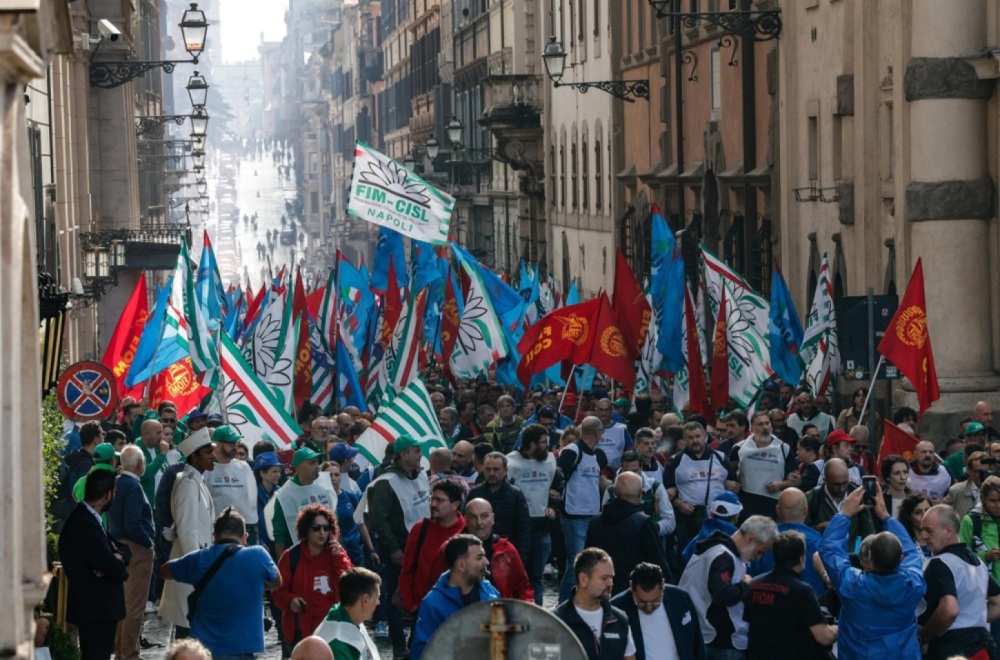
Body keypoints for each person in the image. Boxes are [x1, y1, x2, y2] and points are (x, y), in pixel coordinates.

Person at [818, 482, 925, 660]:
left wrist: (844, 514)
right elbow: (911, 552)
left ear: (869, 556)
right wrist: (886, 517)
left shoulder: (851, 584)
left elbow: (830, 550)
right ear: (900, 560)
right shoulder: (914, 585)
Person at [160, 507, 281, 658]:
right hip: (242, 651)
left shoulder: (198, 559)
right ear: (245, 537)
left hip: (205, 652)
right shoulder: (258, 555)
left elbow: (164, 571)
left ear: (214, 536)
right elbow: (277, 583)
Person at [356, 434, 429, 660]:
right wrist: (394, 548)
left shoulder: (420, 476)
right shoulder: (386, 482)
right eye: (416, 451)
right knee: (398, 596)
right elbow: (378, 519)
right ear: (404, 454)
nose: (420, 456)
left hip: (421, 547)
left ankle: (415, 639)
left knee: (421, 594)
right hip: (398, 548)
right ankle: (399, 644)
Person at [678, 516, 777, 659]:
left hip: (706, 636)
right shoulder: (722, 556)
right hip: (717, 641)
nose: (759, 558)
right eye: (760, 551)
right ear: (751, 539)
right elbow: (723, 594)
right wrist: (745, 585)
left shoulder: (722, 553)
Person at [58, 469, 130, 660]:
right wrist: (114, 560)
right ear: (108, 495)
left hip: (99, 609)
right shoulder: (84, 524)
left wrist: (118, 556)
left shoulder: (90, 518)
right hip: (94, 609)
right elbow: (116, 570)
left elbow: (123, 549)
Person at [918, 504, 1000, 660]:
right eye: (922, 530)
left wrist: (923, 637)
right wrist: (973, 619)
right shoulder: (978, 562)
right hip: (983, 647)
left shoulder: (939, 563)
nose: (923, 536)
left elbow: (950, 610)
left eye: (929, 530)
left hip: (952, 649)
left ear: (949, 530)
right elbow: (998, 604)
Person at [272, 505, 354, 656]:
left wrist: (338, 558)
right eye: (316, 528)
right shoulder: (291, 557)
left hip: (332, 631)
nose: (322, 533)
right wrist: (291, 601)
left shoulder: (337, 554)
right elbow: (278, 591)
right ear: (306, 530)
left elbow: (351, 585)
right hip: (300, 632)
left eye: (326, 528)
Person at [743, 531, 838, 660]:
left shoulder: (754, 585)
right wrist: (841, 627)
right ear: (801, 559)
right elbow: (824, 637)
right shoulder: (802, 591)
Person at [159, 428, 217, 636]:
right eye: (208, 452)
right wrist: (198, 567)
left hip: (197, 563)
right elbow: (186, 531)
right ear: (194, 456)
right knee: (187, 630)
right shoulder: (187, 483)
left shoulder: (195, 480)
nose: (213, 457)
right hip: (192, 566)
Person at [410, 535, 500, 660]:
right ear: (462, 565)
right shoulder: (433, 604)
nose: (486, 562)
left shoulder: (490, 592)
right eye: (479, 558)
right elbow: (421, 654)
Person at [587, 472, 671, 594]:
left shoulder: (595, 522)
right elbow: (658, 561)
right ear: (640, 493)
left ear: (614, 492)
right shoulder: (643, 523)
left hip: (603, 590)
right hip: (636, 592)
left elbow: (589, 559)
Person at [107, 446, 155, 660]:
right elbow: (133, 523)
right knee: (135, 606)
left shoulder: (117, 483)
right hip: (136, 548)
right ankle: (129, 655)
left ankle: (122, 652)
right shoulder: (133, 487)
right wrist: (148, 543)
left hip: (119, 546)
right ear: (140, 464)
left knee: (123, 604)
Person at [558, 416, 612, 601]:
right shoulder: (572, 451)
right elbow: (558, 473)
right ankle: (564, 604)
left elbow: (600, 481)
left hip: (593, 515)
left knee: (591, 564)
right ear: (597, 432)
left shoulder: (597, 455)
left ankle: (584, 600)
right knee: (576, 564)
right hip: (574, 516)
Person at [663, 422, 739, 552]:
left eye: (698, 436)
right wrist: (678, 503)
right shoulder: (675, 461)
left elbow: (733, 485)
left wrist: (729, 484)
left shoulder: (720, 457)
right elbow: (667, 491)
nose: (695, 441)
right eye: (690, 438)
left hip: (719, 518)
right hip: (690, 520)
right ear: (685, 439)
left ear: (705, 436)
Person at [506, 423, 560, 603]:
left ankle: (537, 613)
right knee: (517, 576)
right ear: (532, 444)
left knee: (536, 577)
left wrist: (553, 505)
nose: (547, 445)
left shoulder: (550, 459)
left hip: (542, 527)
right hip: (519, 528)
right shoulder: (510, 462)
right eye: (544, 442)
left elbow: (556, 487)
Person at [609, 562, 706, 660]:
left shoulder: (680, 598)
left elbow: (697, 642)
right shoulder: (616, 608)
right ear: (631, 587)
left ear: (663, 585)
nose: (649, 607)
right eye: (641, 602)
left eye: (655, 601)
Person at [553, 548, 637, 660]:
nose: (610, 583)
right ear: (583, 579)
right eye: (604, 578)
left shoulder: (620, 620)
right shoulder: (557, 621)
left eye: (611, 577)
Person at [444, 498, 534, 601]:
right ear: (465, 520)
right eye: (473, 517)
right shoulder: (449, 549)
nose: (479, 522)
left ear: (492, 518)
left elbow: (522, 587)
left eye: (484, 516)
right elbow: (434, 587)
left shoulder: (506, 550)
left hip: (499, 613)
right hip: (460, 613)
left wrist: (526, 608)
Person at [399, 480, 467, 614]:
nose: (433, 504)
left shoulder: (467, 531)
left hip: (458, 612)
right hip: (423, 609)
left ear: (455, 505)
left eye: (440, 500)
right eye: (432, 499)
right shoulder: (420, 529)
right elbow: (407, 570)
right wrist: (411, 605)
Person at [748, 488, 826, 595]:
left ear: (778, 510)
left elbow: (751, 578)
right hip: (810, 606)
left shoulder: (763, 544)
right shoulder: (821, 544)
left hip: (768, 606)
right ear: (806, 510)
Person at [267, 447, 338, 556]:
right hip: (300, 556)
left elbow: (334, 520)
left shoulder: (324, 486)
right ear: (299, 468)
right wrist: (282, 564)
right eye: (312, 463)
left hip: (326, 553)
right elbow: (279, 533)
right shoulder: (285, 495)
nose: (317, 466)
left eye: (317, 462)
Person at [730, 411, 799, 520]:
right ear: (752, 428)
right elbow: (728, 475)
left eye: (767, 423)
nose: (765, 427)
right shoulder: (739, 449)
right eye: (760, 424)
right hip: (746, 505)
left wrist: (780, 484)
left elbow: (797, 481)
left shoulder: (783, 449)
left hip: (772, 505)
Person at [467, 451, 531, 558]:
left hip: (507, 552)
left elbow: (524, 530)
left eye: (496, 469)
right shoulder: (475, 493)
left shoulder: (515, 495)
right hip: (479, 552)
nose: (491, 473)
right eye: (488, 469)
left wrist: (519, 559)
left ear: (505, 471)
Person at [204, 425, 259, 544]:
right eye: (230, 443)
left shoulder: (243, 467)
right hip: (218, 534)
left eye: (236, 442)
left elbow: (251, 500)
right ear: (218, 444)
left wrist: (254, 527)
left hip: (243, 531)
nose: (235, 447)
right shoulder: (207, 470)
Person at [805, 458, 876, 548]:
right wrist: (818, 529)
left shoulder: (858, 497)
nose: (842, 489)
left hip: (850, 557)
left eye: (844, 483)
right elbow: (801, 534)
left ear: (848, 476)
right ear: (825, 480)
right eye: (836, 485)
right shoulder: (812, 498)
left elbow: (869, 535)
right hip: (820, 557)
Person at [314, 568, 382, 660]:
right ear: (365, 599)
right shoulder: (337, 644)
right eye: (377, 597)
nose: (378, 602)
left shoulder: (348, 614)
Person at [326, 462, 377, 568]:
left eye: (336, 474)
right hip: (333, 554)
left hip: (355, 552)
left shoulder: (350, 497)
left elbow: (361, 525)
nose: (333, 478)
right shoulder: (320, 501)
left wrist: (371, 550)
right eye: (329, 475)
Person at [681, 492, 743, 567]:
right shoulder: (743, 544)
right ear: (737, 516)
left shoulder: (695, 541)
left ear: (711, 514)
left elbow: (685, 561)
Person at [135, 418, 170, 509]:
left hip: (163, 506)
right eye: (158, 433)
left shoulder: (158, 449)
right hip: (148, 508)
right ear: (146, 434)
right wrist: (162, 455)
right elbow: (146, 475)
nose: (162, 436)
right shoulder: (136, 451)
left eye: (162, 432)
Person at [254, 451, 283, 558]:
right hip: (263, 547)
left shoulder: (281, 492)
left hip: (280, 544)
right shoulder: (254, 495)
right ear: (262, 473)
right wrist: (260, 542)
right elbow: (251, 525)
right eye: (274, 471)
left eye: (279, 471)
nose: (278, 475)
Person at [943, 450, 987, 519]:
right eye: (977, 471)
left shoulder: (997, 488)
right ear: (968, 471)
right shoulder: (956, 491)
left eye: (985, 471)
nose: (981, 475)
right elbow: (943, 516)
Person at [594, 398, 634, 471]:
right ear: (596, 411)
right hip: (594, 470)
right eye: (601, 410)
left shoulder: (621, 429)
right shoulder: (590, 428)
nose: (603, 413)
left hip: (616, 472)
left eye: (606, 410)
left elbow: (630, 449)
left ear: (612, 411)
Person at [882, 454, 912, 519]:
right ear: (887, 477)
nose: (903, 477)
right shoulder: (881, 501)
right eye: (897, 473)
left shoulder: (914, 499)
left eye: (905, 472)